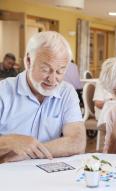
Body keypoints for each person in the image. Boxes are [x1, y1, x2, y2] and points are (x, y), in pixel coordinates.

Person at [0, 31, 86, 163]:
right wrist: (10, 141)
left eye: (60, 71)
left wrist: (29, 152)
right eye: (45, 70)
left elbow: (77, 142)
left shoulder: (67, 92)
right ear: (28, 61)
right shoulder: (3, 91)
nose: (52, 80)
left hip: (47, 175)